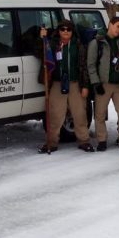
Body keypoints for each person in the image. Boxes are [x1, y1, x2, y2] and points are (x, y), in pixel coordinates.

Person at [37, 20, 93, 154]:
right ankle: (51, 142)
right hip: (58, 83)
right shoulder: (52, 44)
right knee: (55, 114)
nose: (65, 31)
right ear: (59, 31)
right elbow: (40, 52)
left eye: (68, 29)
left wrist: (85, 86)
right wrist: (42, 38)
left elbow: (84, 67)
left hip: (75, 83)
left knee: (79, 114)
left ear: (72, 31)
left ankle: (84, 141)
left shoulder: (78, 45)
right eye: (62, 29)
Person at [87, 17, 119, 151]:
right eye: (117, 26)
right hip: (103, 84)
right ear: (110, 25)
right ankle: (102, 140)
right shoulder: (97, 42)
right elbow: (91, 65)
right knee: (99, 114)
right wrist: (96, 82)